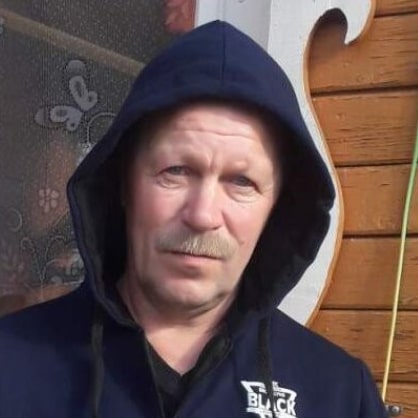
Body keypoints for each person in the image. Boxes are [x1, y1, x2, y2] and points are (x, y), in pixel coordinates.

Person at [0, 21, 387, 418]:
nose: (202, 215)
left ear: (277, 207)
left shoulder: (337, 395)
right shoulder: (11, 366)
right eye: (176, 171)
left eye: (241, 181)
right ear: (123, 184)